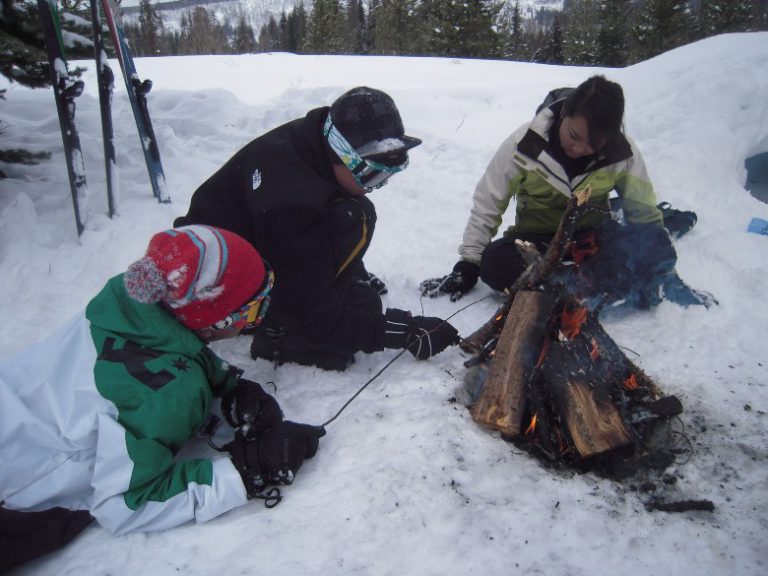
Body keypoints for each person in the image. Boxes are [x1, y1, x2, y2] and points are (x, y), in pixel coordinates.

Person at [0, 225, 324, 571]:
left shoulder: (128, 304)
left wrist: (226, 391)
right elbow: (126, 505)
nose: (256, 321)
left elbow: (160, 351)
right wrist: (246, 470)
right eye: (253, 311)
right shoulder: (167, 394)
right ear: (215, 320)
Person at [174, 86, 460, 371]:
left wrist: (351, 272)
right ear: (341, 155)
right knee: (332, 340)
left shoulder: (317, 137)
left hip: (258, 244)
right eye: (371, 174)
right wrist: (401, 331)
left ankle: (296, 302)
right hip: (209, 287)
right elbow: (312, 316)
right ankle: (276, 333)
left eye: (387, 174)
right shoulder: (290, 203)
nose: (377, 185)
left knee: (363, 296)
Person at [421, 75, 712, 309]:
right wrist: (469, 262)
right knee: (494, 262)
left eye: (592, 144)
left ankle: (567, 290)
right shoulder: (526, 144)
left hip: (593, 238)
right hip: (536, 242)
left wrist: (661, 265)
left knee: (634, 249)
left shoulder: (622, 152)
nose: (579, 149)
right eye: (574, 136)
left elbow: (643, 210)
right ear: (565, 113)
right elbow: (489, 200)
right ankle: (579, 288)